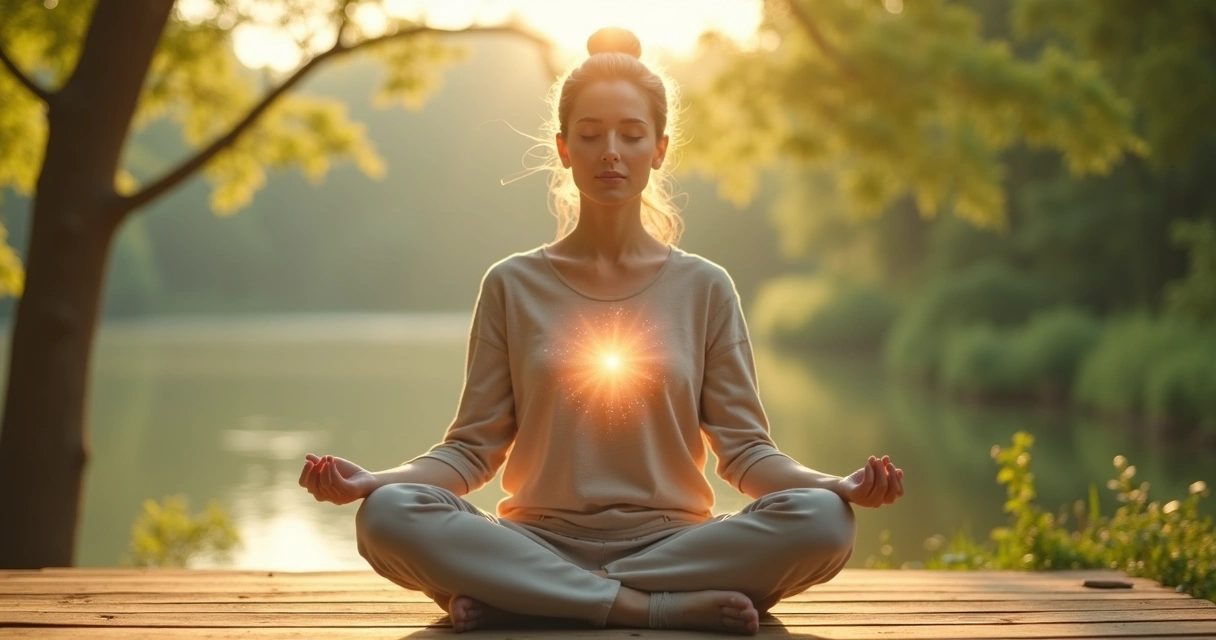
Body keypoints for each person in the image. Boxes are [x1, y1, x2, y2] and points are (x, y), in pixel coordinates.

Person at [298, 26, 905, 636]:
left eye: (631, 135)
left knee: (826, 520)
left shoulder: (705, 287)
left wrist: (835, 484)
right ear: (564, 149)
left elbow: (746, 453)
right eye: (590, 136)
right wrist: (375, 481)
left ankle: (529, 596)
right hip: (536, 540)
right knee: (387, 515)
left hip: (674, 547)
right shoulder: (511, 284)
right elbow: (470, 451)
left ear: (659, 149)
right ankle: (644, 606)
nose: (610, 151)